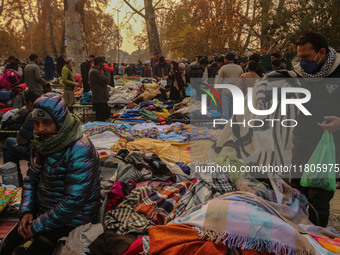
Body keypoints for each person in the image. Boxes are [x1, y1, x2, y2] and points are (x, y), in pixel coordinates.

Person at [1, 93, 101, 255]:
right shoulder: (43, 143)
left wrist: (37, 225)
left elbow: (74, 201)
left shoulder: (80, 150)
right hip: (46, 214)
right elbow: (31, 179)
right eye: (36, 123)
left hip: (74, 220)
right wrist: (27, 211)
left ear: (60, 123)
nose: (40, 129)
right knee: (6, 247)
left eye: (47, 123)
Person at [291, 31, 340, 227]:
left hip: (328, 145)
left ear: (321, 53)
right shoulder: (299, 75)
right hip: (301, 140)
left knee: (318, 197)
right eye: (299, 56)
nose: (301, 62)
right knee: (295, 192)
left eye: (306, 57)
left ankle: (315, 240)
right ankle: (297, 238)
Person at [2, 90, 41, 186]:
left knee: (8, 144)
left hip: (38, 150)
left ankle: (15, 184)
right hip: (40, 149)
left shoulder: (33, 116)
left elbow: (21, 139)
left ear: (30, 103)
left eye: (25, 103)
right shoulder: (47, 112)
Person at [216, 52, 243, 119]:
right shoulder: (239, 68)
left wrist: (217, 91)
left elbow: (219, 81)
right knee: (232, 109)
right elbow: (242, 80)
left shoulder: (223, 68)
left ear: (226, 60)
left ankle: (225, 125)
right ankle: (231, 125)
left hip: (226, 91)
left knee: (225, 110)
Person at [89, 56, 111, 121]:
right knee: (100, 119)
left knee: (104, 117)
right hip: (99, 99)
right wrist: (106, 71)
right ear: (100, 63)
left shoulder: (96, 71)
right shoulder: (95, 72)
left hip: (101, 98)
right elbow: (107, 80)